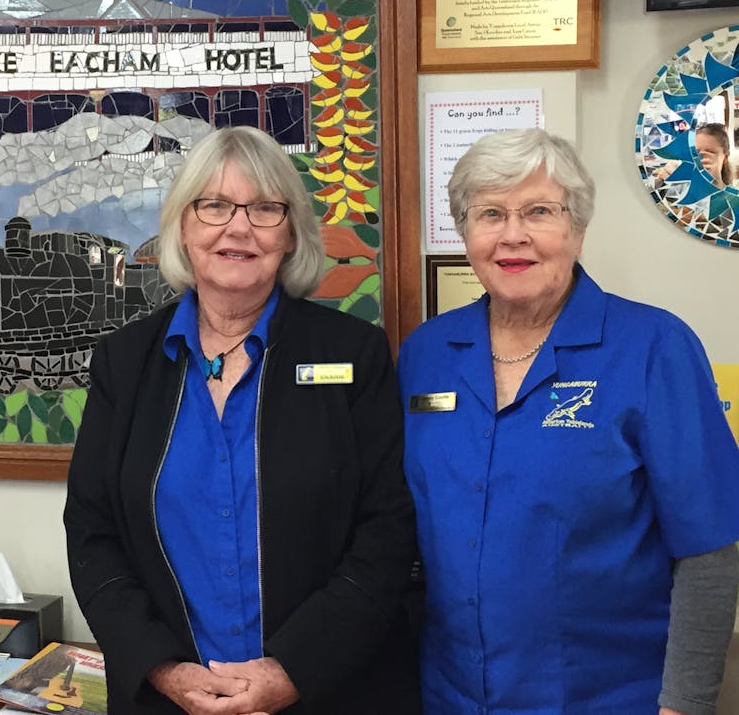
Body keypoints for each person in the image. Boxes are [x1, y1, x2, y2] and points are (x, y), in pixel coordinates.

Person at [65, 125, 420, 715]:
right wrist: (162, 668)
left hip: (329, 692)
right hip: (171, 701)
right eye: (214, 205)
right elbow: (92, 534)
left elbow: (386, 532)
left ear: (289, 234)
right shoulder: (124, 363)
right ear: (184, 226)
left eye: (264, 208)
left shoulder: (354, 355)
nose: (238, 227)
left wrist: (293, 669)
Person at [397, 127, 739, 714]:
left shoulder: (653, 347)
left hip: (611, 696)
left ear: (577, 229)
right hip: (451, 693)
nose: (513, 235)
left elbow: (710, 548)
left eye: (538, 211)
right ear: (466, 233)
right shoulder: (426, 354)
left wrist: (684, 703)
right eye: (489, 214)